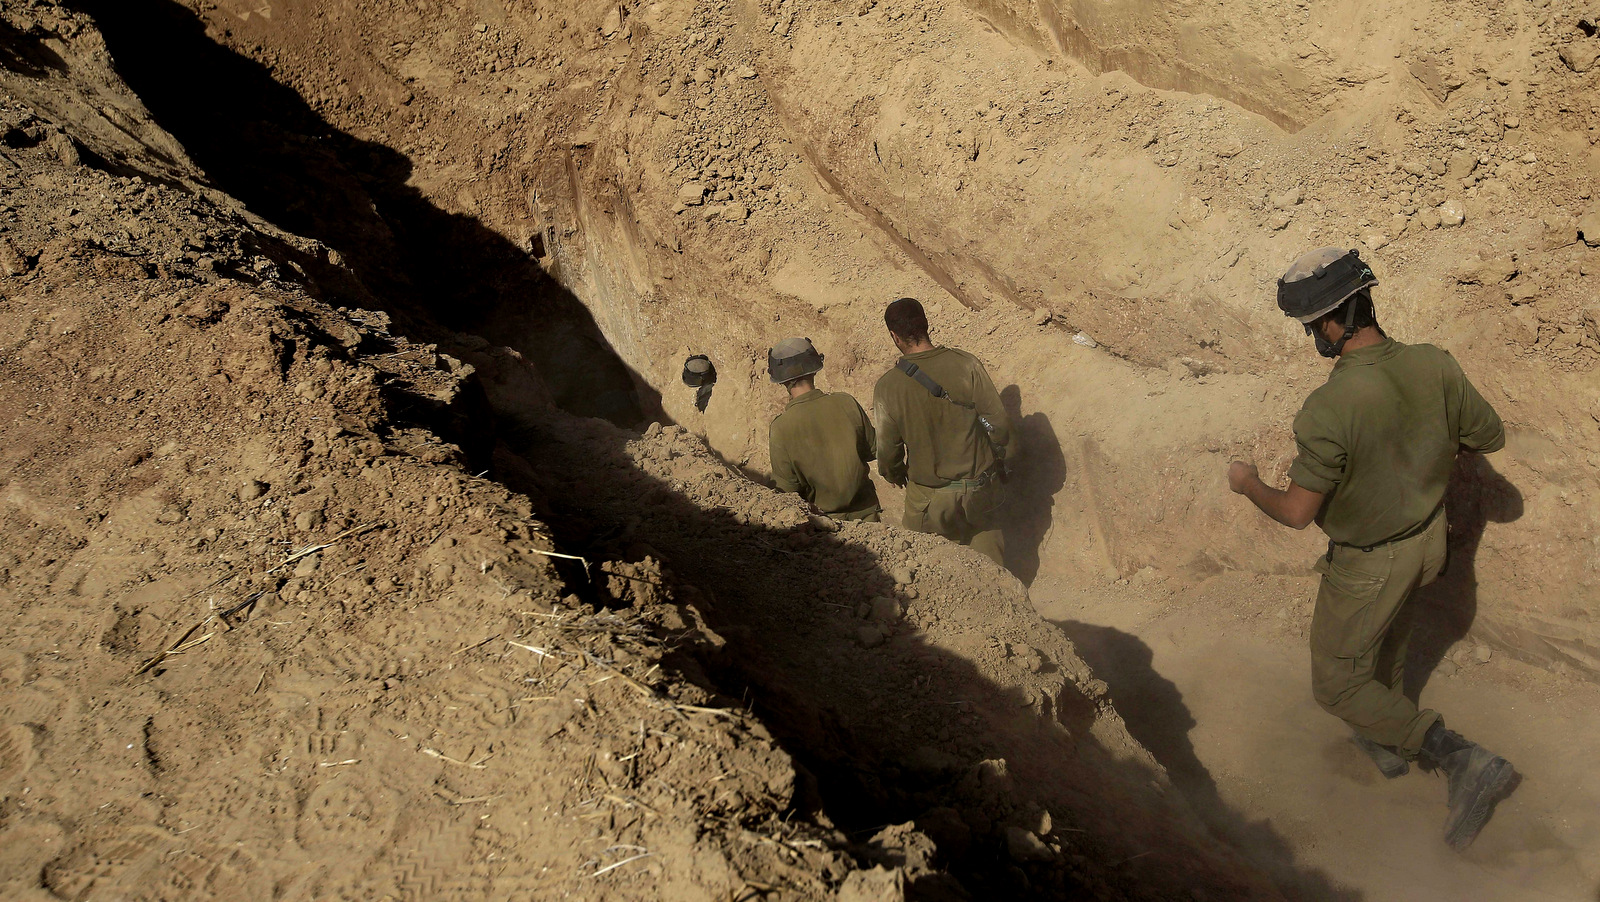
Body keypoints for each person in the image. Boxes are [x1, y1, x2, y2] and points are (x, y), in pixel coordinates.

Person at [1227, 247, 1515, 851]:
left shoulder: (1329, 407)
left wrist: (1248, 482)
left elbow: (1297, 514)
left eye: (1311, 327)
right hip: (1429, 541)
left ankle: (1459, 758)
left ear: (1331, 323)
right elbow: (1487, 435)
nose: (1313, 337)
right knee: (1389, 640)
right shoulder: (1434, 364)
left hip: (1371, 558)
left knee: (1335, 684)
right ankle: (1386, 734)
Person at [873, 297, 1011, 565]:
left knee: (926, 569)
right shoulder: (967, 364)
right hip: (979, 490)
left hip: (929, 500)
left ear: (894, 336)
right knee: (996, 575)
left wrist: (894, 473)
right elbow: (1000, 425)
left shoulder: (888, 386)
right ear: (926, 325)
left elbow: (888, 451)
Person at [767, 337, 881, 522]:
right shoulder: (846, 402)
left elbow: (786, 490)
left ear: (781, 380)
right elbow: (873, 449)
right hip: (868, 516)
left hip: (824, 527)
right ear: (814, 368)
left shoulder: (781, 427)